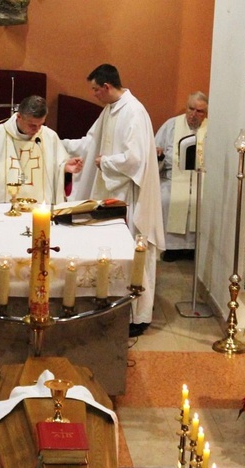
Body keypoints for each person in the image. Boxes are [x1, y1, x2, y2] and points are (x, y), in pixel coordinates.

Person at [61, 64, 164, 337]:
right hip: (111, 194)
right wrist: (56, 143)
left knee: (134, 253)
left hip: (130, 197)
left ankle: (138, 316)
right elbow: (89, 142)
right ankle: (113, 307)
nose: (93, 94)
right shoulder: (110, 110)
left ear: (106, 87)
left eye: (95, 89)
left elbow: (136, 160)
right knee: (111, 254)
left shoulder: (134, 112)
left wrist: (105, 161)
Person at [0, 95, 83, 204]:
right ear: (19, 117)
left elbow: (58, 170)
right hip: (1, 208)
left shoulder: (49, 137)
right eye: (32, 125)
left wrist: (65, 170)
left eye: (41, 124)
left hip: (39, 209)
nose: (37, 130)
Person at [155, 91, 208, 262]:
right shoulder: (171, 125)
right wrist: (159, 155)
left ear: (205, 113)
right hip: (173, 180)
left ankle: (195, 248)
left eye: (199, 111)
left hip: (202, 182)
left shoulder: (211, 129)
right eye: (191, 109)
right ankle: (172, 248)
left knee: (203, 200)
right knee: (165, 198)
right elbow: (155, 150)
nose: (193, 114)